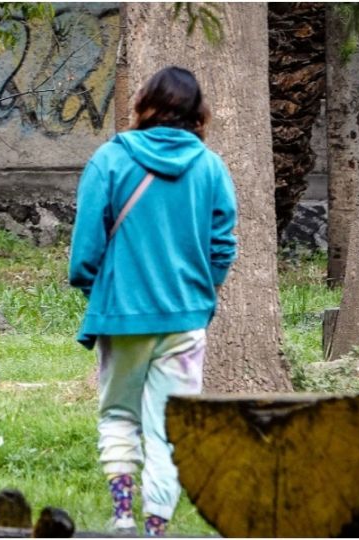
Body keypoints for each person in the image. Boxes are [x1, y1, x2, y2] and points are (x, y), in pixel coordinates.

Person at [68, 66, 238, 536]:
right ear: (197, 111)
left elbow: (84, 250)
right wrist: (202, 291)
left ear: (144, 104)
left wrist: (98, 291)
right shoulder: (210, 167)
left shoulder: (110, 159)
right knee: (170, 429)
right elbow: (223, 246)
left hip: (121, 317)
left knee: (118, 415)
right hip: (185, 320)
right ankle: (155, 528)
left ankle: (122, 516)